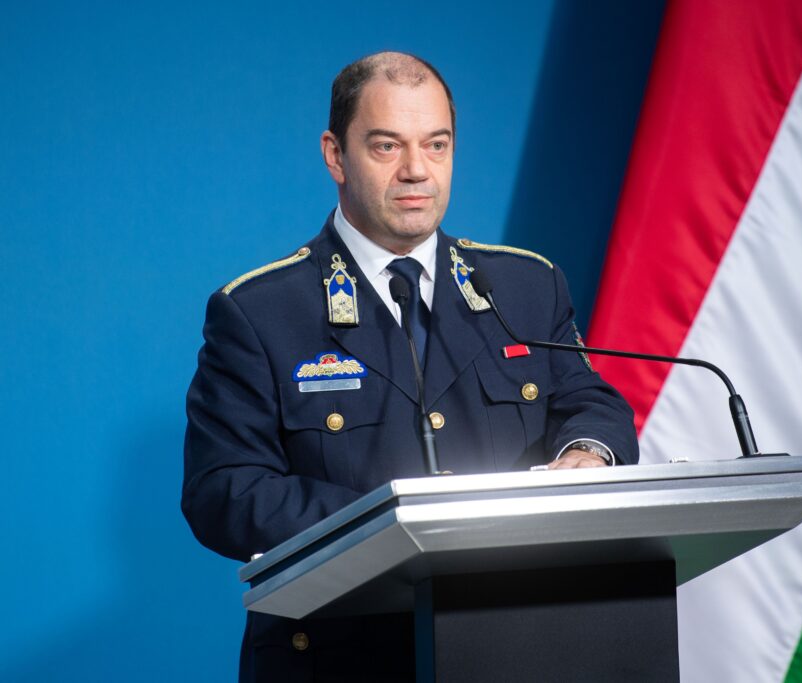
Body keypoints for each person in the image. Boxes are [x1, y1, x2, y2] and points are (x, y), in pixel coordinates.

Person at [182, 51, 638, 682]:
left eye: (436, 144)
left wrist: (587, 452)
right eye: (387, 146)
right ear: (335, 156)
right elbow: (224, 491)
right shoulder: (261, 311)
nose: (417, 170)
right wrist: (395, 523)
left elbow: (592, 402)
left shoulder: (525, 285)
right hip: (341, 657)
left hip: (515, 642)